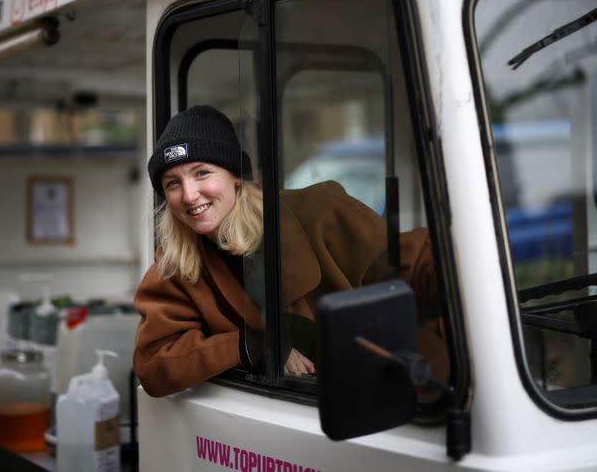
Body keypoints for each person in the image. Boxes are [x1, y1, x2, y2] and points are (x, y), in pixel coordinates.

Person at [133, 105, 445, 398]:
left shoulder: (318, 213)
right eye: (173, 183)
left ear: (236, 177)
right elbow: (155, 364)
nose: (189, 195)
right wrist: (251, 346)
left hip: (399, 396)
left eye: (202, 173)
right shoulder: (176, 264)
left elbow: (418, 266)